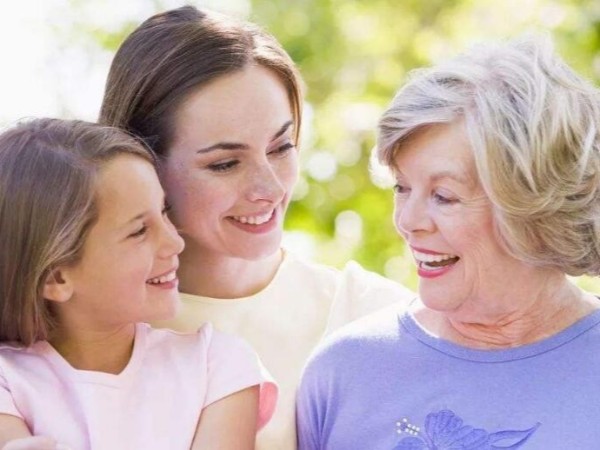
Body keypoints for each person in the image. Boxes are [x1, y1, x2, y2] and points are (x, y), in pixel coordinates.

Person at [98, 6, 414, 449]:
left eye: (281, 147)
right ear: (141, 164)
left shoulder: (374, 317)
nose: (269, 188)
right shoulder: (80, 325)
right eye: (225, 164)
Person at [296, 35, 600, 449]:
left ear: (535, 207)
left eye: (443, 196)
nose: (407, 221)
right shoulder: (343, 373)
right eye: (402, 187)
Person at [0, 119, 277, 450]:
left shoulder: (216, 364)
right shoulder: (8, 381)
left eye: (164, 212)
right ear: (56, 278)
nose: (175, 243)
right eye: (139, 231)